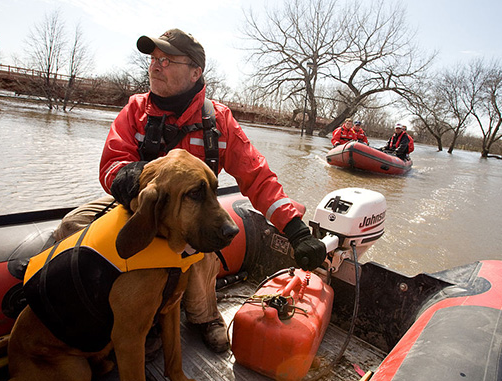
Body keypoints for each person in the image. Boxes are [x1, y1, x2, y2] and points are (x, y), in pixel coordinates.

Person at [54, 29, 327, 353]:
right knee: (71, 226)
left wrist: (295, 229)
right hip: (140, 207)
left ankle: (204, 317)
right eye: (154, 59)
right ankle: (98, 311)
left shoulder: (219, 121)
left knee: (200, 246)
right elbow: (112, 164)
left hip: (196, 215)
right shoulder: (135, 110)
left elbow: (258, 178)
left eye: (167, 60)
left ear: (196, 71)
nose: (156, 66)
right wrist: (151, 185)